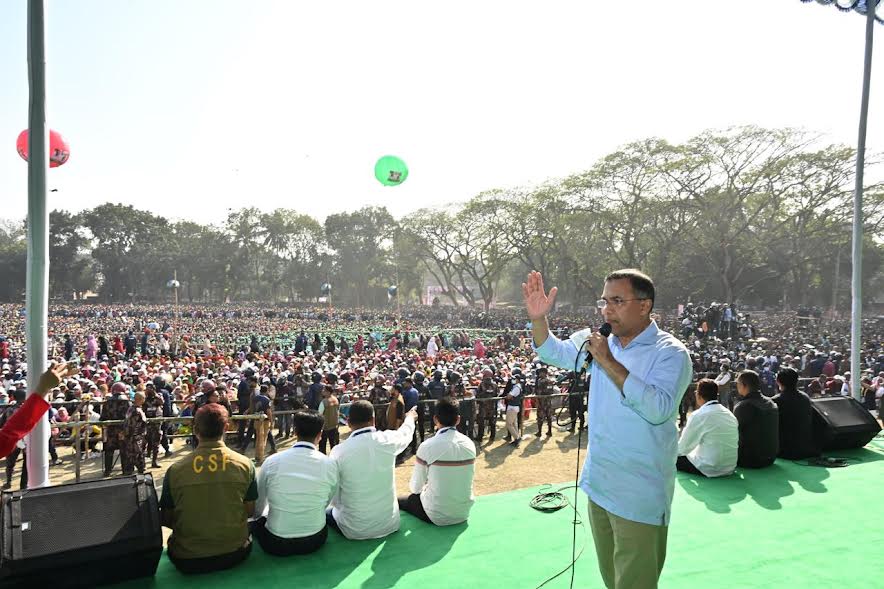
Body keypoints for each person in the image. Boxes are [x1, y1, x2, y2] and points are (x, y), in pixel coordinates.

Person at [526, 269, 692, 589]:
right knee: (611, 579)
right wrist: (538, 319)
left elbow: (658, 409)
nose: (607, 309)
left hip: (639, 494)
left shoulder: (670, 353)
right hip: (599, 485)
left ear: (644, 306)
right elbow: (552, 351)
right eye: (605, 301)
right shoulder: (599, 341)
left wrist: (606, 360)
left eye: (617, 301)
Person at [160, 403, 256, 574]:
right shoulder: (245, 464)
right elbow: (249, 511)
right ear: (227, 427)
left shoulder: (175, 470)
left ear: (195, 429)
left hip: (187, 559)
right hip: (235, 553)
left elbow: (166, 518)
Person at [327, 400, 417, 540]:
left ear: (349, 422)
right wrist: (410, 417)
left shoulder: (339, 451)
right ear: (373, 420)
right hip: (389, 524)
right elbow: (406, 432)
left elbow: (333, 493)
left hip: (353, 529)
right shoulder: (388, 439)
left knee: (326, 511)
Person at [253, 410, 338, 556]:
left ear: (295, 431)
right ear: (320, 434)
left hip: (276, 542)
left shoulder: (272, 461)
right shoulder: (330, 463)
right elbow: (327, 501)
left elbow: (259, 504)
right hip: (316, 539)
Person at [400, 397, 476, 526]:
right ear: (458, 419)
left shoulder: (427, 446)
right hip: (464, 512)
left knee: (402, 500)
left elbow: (415, 488)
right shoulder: (469, 444)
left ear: (435, 419)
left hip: (435, 515)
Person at [0, 361, 78, 462]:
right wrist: (43, 388)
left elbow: (7, 437)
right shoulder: (10, 410)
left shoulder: (10, 409)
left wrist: (43, 388)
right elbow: (7, 438)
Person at [676, 379, 738, 477]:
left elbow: (683, 448)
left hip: (708, 468)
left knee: (672, 457)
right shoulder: (730, 414)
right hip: (729, 467)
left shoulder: (698, 415)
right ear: (716, 395)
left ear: (698, 395)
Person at [733, 370, 779, 469]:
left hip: (748, 460)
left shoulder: (743, 406)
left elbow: (732, 432)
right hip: (771, 457)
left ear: (743, 385)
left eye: (737, 383)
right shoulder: (771, 402)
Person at [771, 368, 818, 460]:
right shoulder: (805, 398)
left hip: (785, 449)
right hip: (805, 446)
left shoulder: (776, 401)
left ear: (778, 381)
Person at [318, 385, 340, 454]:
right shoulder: (335, 399)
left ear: (328, 392)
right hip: (334, 425)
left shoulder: (324, 402)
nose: (322, 391)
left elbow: (319, 414)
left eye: (324, 390)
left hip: (325, 426)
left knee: (322, 445)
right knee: (334, 445)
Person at [534, 366, 554, 437]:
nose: (539, 374)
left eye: (540, 372)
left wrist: (541, 393)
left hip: (543, 401)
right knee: (548, 417)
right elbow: (551, 391)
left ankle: (541, 432)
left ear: (544, 373)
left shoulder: (543, 381)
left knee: (541, 417)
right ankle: (548, 431)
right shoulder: (548, 380)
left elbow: (539, 391)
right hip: (546, 401)